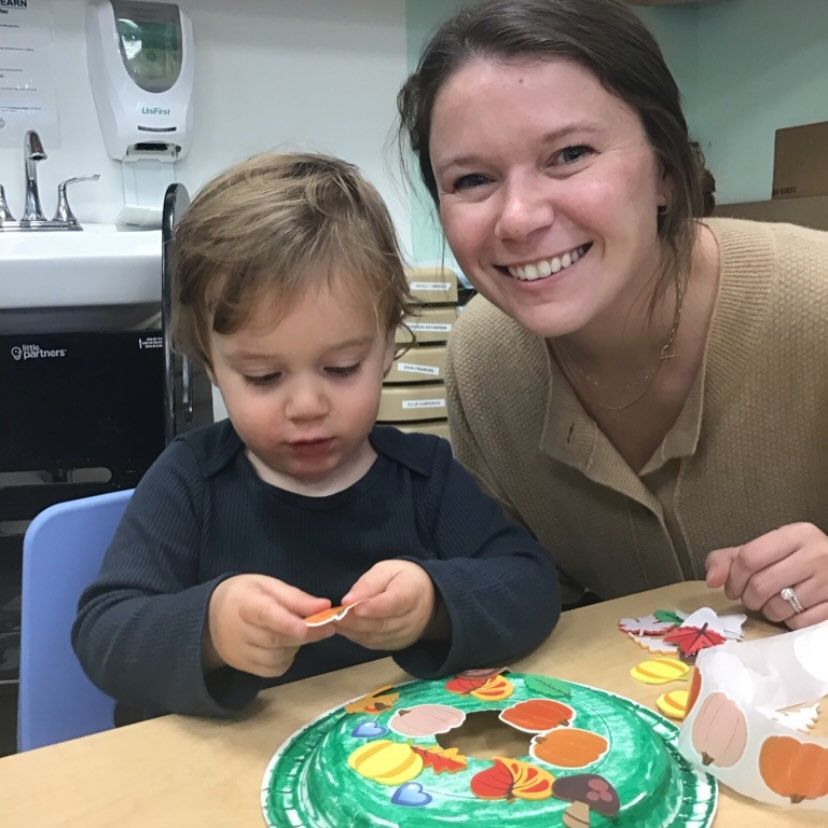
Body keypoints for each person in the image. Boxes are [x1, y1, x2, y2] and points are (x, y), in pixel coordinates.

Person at [72, 152, 560, 718]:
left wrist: (435, 603)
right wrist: (210, 629)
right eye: (263, 377)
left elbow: (531, 584)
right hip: (218, 777)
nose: (306, 407)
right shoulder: (190, 481)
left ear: (387, 349)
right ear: (210, 365)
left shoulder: (425, 479)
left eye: (341, 367)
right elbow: (103, 633)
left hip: (388, 773)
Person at [398, 0, 827, 628]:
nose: (519, 218)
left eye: (569, 154)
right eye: (471, 180)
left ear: (665, 170)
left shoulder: (814, 303)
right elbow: (529, 590)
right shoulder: (482, 361)